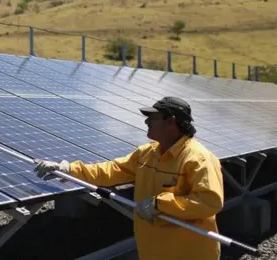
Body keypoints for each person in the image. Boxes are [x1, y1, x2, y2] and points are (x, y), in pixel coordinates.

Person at [34, 96, 224, 260]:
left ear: (171, 122)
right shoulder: (147, 154)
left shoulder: (198, 159)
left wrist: (159, 204)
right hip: (153, 251)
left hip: (189, 254)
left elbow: (210, 202)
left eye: (153, 118)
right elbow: (110, 170)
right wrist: (67, 169)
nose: (146, 122)